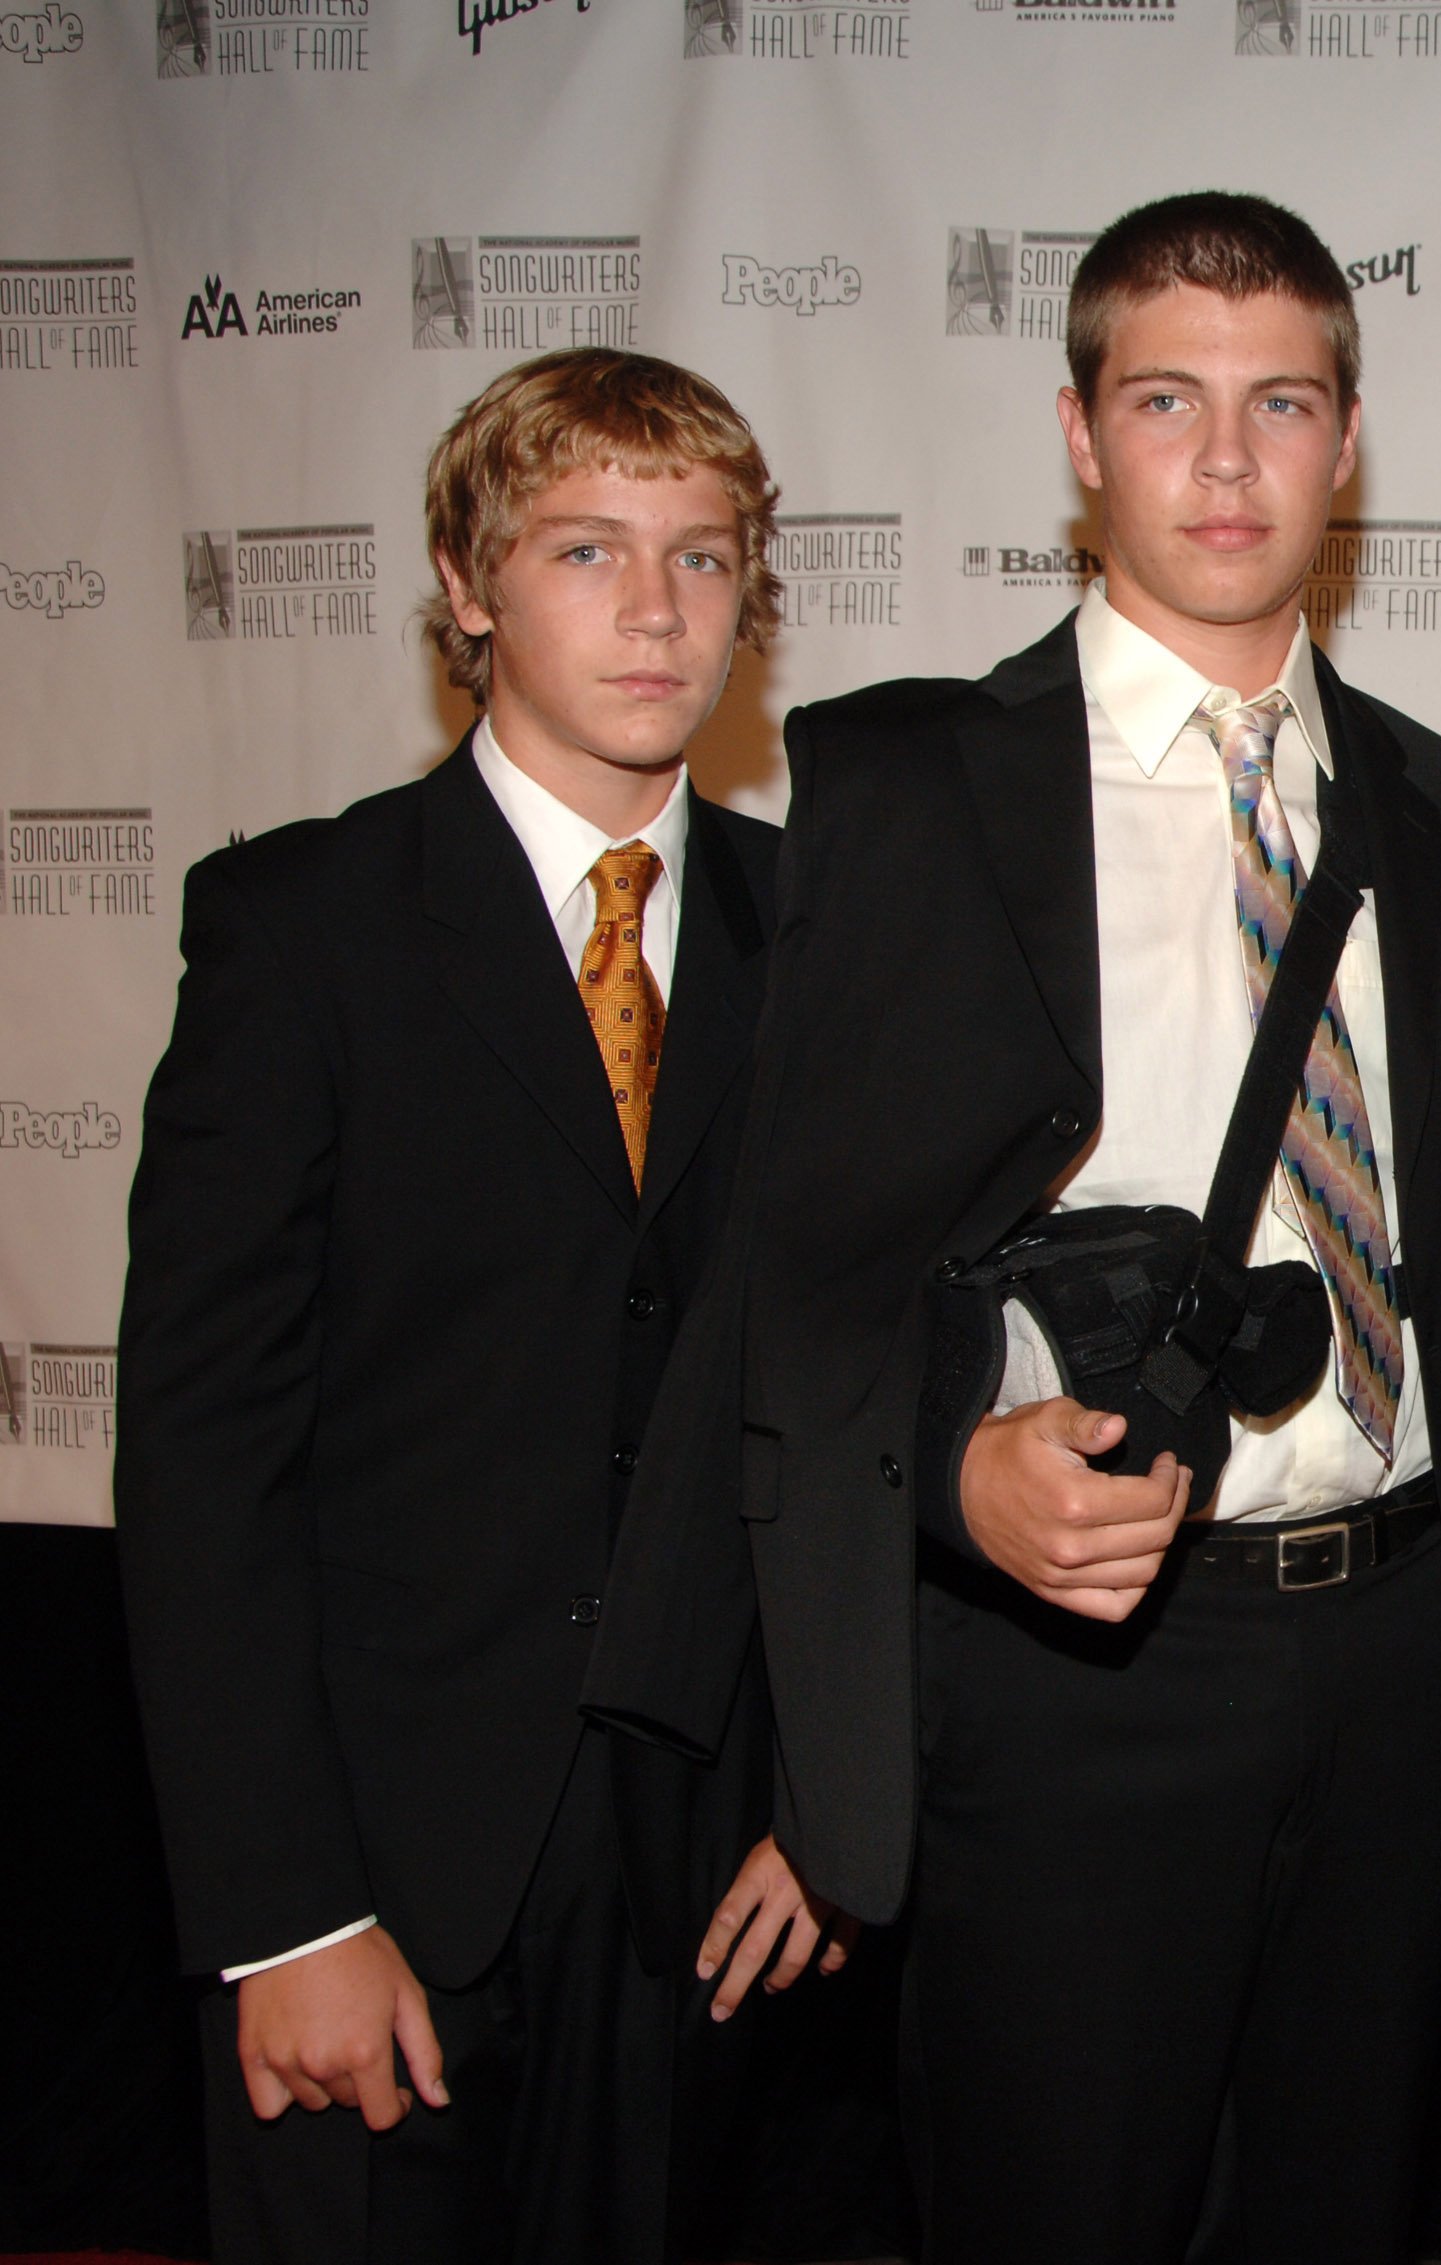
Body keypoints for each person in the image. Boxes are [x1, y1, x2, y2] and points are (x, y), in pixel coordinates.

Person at [582, 191, 1441, 2265]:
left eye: (1281, 404)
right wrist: (951, 1470)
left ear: (1346, 443)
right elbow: (791, 1278)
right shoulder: (911, 783)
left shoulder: (1433, 801)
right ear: (1082, 433)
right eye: (1165, 399)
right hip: (1076, 1668)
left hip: (1394, 1650)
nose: (1223, 459)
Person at [114, 348, 847, 2265]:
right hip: (380, 1867)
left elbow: (861, 1395)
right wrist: (284, 1912)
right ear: (465, 582)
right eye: (588, 548)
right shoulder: (301, 929)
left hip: (716, 1878)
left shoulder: (832, 933)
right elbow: (205, 1459)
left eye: (703, 557)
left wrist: (833, 1804)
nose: (655, 608)